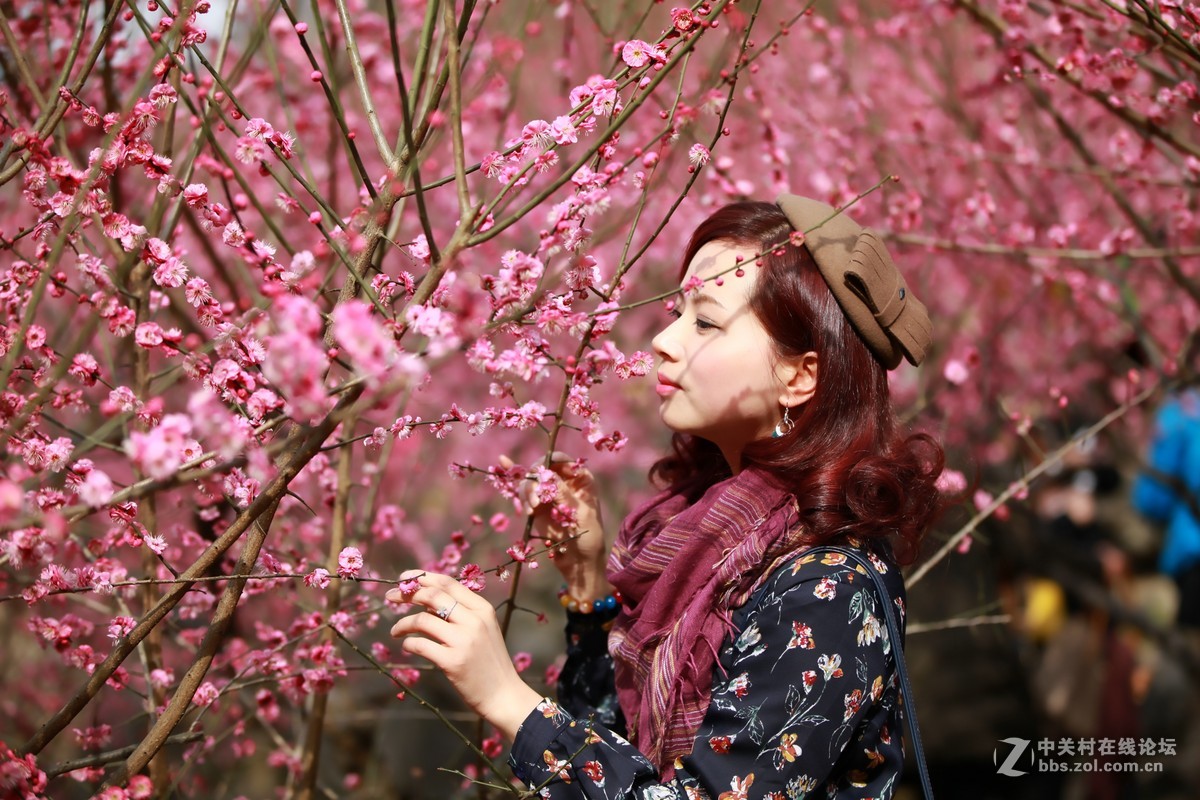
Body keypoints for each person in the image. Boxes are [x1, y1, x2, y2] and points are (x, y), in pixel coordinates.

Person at [387, 196, 944, 799]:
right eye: (677, 311)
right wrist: (588, 588)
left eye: (704, 321)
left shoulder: (827, 588)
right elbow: (623, 753)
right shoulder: (701, 533)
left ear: (798, 376)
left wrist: (508, 699)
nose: (662, 339)